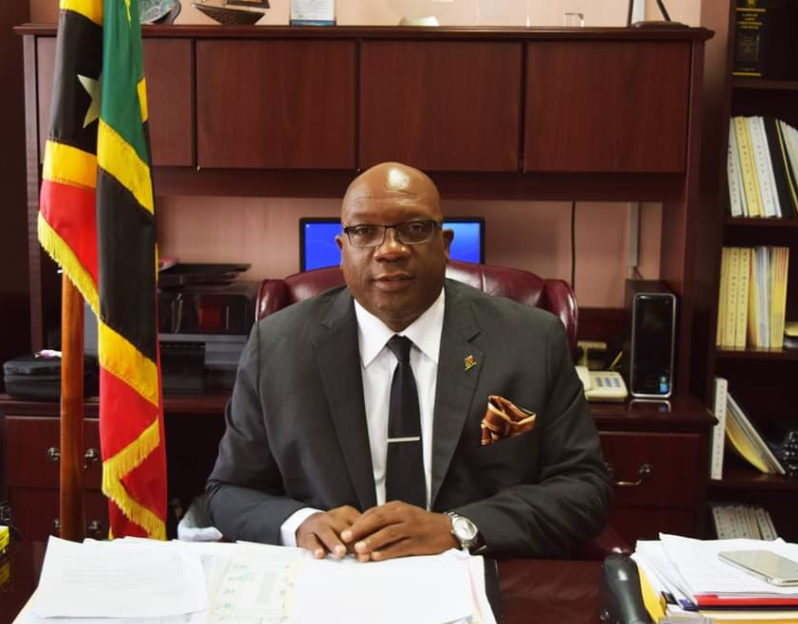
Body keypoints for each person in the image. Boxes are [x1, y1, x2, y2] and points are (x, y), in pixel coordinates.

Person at [206, 162, 610, 560]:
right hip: (335, 575)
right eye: (365, 231)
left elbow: (584, 488)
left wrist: (457, 528)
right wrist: (300, 523)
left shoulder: (530, 341)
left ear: (445, 244)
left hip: (474, 572)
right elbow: (229, 491)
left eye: (414, 229)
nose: (390, 250)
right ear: (342, 250)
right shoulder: (278, 347)